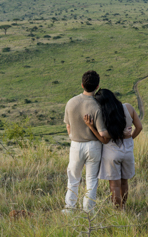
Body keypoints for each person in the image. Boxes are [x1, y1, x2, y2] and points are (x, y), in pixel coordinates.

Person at [84, 88, 142, 209]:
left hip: (111, 152)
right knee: (124, 182)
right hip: (127, 151)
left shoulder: (103, 114)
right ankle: (123, 207)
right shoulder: (128, 107)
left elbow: (104, 138)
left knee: (114, 186)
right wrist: (130, 138)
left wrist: (91, 127)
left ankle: (117, 211)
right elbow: (139, 127)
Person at [62, 70, 106, 213]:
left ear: (82, 85)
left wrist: (74, 137)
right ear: (97, 86)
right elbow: (102, 132)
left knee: (73, 178)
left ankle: (69, 207)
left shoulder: (71, 102)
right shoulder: (97, 106)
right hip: (93, 146)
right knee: (91, 180)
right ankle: (88, 210)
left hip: (76, 144)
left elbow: (68, 126)